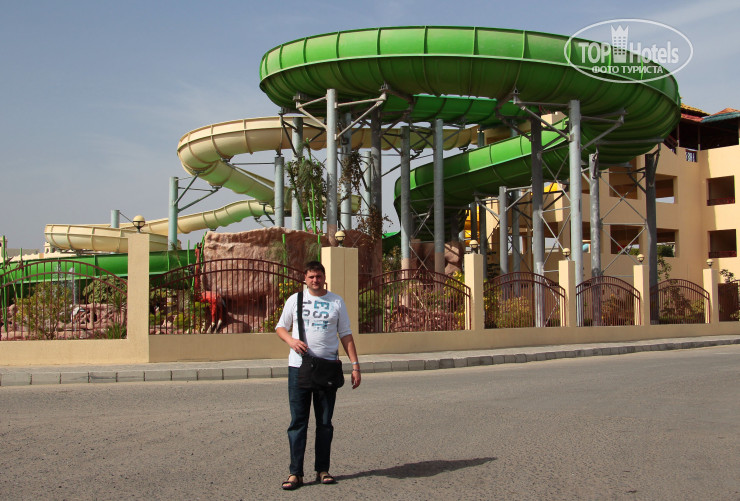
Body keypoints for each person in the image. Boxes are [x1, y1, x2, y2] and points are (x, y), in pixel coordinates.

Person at [276, 260, 361, 490]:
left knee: (324, 423)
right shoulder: (295, 300)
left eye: (319, 276)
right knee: (298, 422)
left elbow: (346, 334)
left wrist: (355, 365)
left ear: (324, 278)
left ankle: (323, 470)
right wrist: (291, 341)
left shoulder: (336, 301)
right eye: (311, 276)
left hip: (327, 369)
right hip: (299, 368)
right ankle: (295, 473)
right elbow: (280, 327)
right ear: (305, 278)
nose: (315, 280)